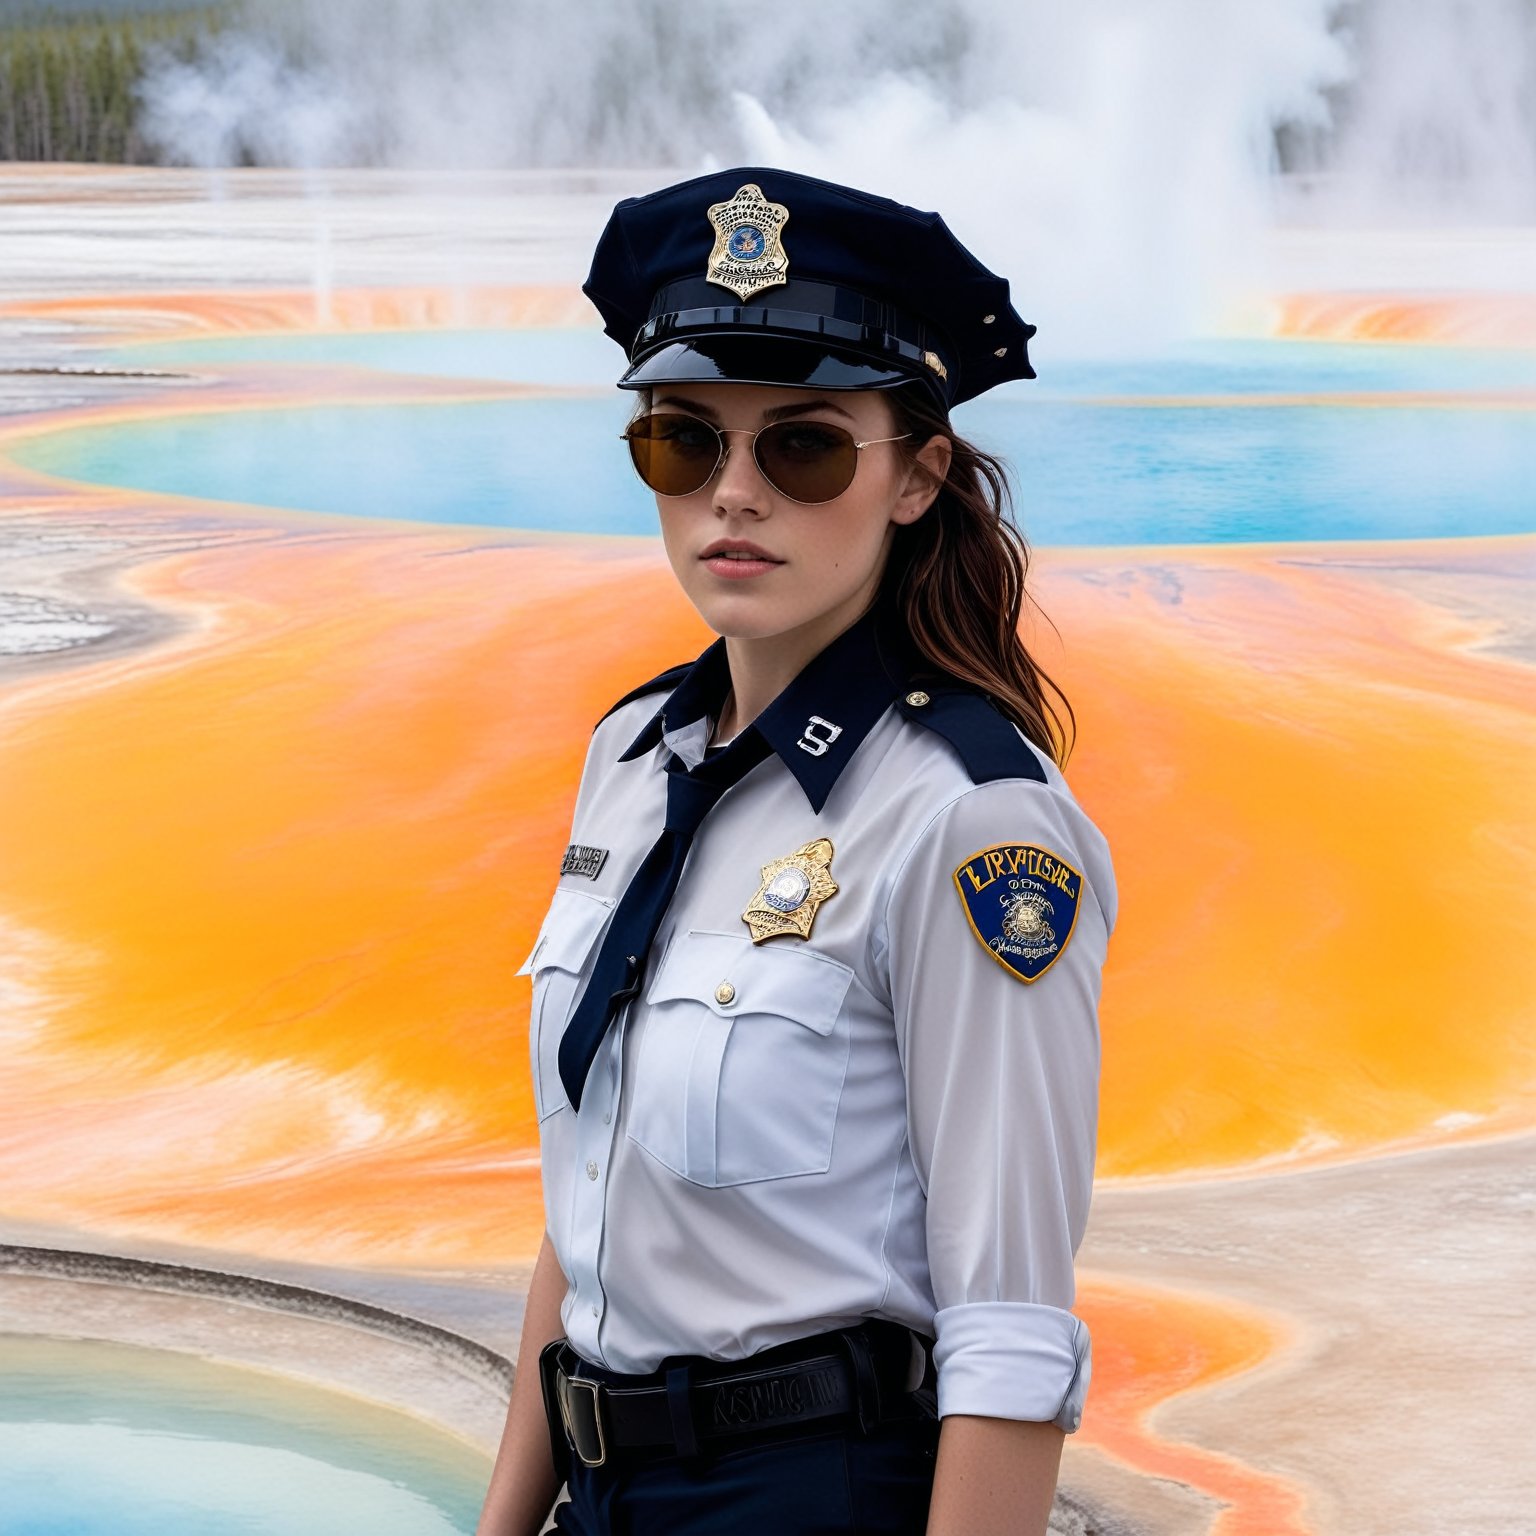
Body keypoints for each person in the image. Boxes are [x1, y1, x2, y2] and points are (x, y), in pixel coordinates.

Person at [475, 167, 1115, 1536]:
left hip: (812, 1494)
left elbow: (1008, 1327)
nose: (734, 493)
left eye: (806, 445)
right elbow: (595, 1184)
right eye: (682, 442)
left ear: (916, 473)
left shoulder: (973, 822)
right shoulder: (634, 757)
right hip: (597, 1486)